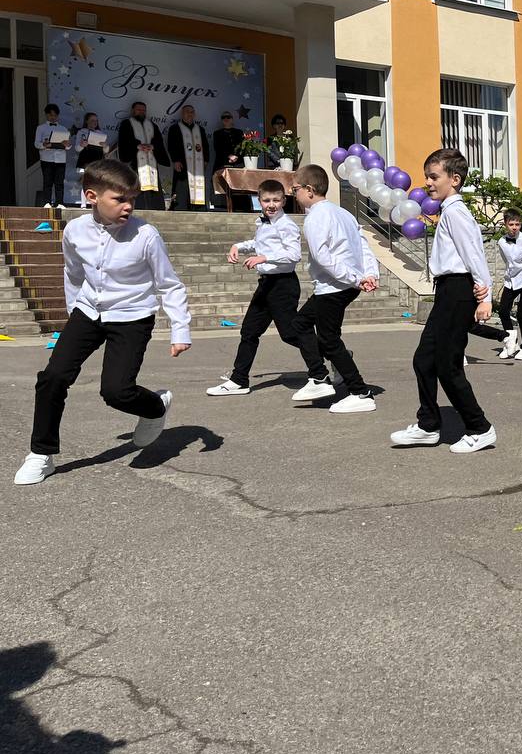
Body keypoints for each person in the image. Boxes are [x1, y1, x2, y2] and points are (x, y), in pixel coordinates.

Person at [14, 160, 191, 486]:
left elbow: (169, 284)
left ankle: (154, 408)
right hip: (87, 312)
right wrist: (73, 316)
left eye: (132, 200)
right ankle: (41, 454)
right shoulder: (75, 230)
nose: (128, 206)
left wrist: (180, 329)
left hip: (132, 315)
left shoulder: (145, 236)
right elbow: (73, 273)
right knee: (53, 377)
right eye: (119, 199)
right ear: (92, 196)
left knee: (116, 391)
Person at [389, 148, 497, 453]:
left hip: (459, 291)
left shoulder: (456, 212)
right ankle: (428, 426)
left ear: (455, 179)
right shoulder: (448, 211)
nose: (427, 183)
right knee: (424, 359)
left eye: (434, 177)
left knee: (447, 365)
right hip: (448, 290)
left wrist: (485, 296)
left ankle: (480, 427)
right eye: (427, 176)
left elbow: (474, 254)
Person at [205, 180, 331, 397]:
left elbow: (293, 255)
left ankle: (326, 366)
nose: (271, 204)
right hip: (266, 284)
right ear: (259, 201)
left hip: (283, 285)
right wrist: (238, 246)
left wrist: (264, 257)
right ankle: (239, 380)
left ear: (283, 201)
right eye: (266, 200)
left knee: (291, 334)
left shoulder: (287, 225)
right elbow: (258, 242)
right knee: (249, 331)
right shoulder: (264, 223)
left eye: (275, 200)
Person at [288, 164, 380, 413]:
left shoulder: (315, 217)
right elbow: (364, 246)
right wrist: (368, 274)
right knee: (301, 325)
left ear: (309, 190)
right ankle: (323, 374)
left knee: (327, 339)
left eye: (294, 189)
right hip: (345, 284)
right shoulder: (344, 214)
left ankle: (359, 392)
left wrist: (356, 278)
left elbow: (323, 257)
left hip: (334, 286)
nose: (292, 194)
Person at [490, 209, 522, 360]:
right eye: (511, 224)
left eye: (517, 224)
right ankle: (511, 342)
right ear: (505, 224)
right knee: (503, 311)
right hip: (510, 280)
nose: (514, 227)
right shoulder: (501, 242)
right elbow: (507, 262)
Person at [116, 101, 169, 211]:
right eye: (138, 109)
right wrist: (137, 146)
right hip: (135, 162)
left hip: (151, 163)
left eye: (143, 110)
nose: (141, 112)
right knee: (135, 184)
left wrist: (152, 146)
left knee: (153, 185)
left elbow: (159, 141)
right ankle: (136, 207)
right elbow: (124, 141)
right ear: (133, 111)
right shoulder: (127, 123)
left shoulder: (152, 125)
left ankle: (156, 208)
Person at [164, 105, 213, 211]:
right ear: (182, 113)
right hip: (182, 163)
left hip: (198, 165)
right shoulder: (175, 128)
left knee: (198, 186)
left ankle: (199, 208)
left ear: (194, 114)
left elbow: (205, 146)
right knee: (182, 187)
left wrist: (206, 160)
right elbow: (171, 145)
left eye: (191, 112)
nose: (189, 114)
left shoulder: (200, 129)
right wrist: (175, 160)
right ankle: (180, 207)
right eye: (187, 112)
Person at [64, 112, 112, 207]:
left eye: (96, 120)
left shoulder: (100, 133)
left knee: (97, 184)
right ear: (87, 121)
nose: (95, 122)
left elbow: (106, 151)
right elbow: (77, 148)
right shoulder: (82, 132)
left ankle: (95, 204)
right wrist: (82, 145)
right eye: (92, 120)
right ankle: (83, 204)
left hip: (97, 160)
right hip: (85, 160)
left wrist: (105, 146)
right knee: (86, 182)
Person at [34, 103, 69, 209]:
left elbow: (68, 146)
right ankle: (47, 202)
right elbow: (36, 144)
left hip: (60, 159)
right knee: (47, 181)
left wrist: (67, 145)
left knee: (59, 182)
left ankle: (60, 203)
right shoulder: (41, 128)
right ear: (46, 115)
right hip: (46, 158)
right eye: (50, 115)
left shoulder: (63, 128)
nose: (53, 117)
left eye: (55, 115)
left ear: (57, 116)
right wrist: (44, 145)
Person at [212, 111, 248, 212]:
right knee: (222, 186)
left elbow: (243, 147)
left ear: (232, 119)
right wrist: (229, 156)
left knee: (239, 186)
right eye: (224, 117)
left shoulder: (239, 132)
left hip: (238, 163)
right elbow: (217, 148)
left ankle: (241, 208)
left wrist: (237, 156)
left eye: (228, 117)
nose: (226, 119)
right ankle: (222, 207)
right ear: (222, 120)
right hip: (222, 162)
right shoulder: (217, 133)